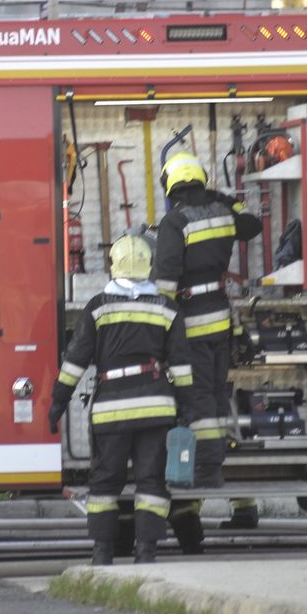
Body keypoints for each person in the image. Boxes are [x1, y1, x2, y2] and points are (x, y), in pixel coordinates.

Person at [48, 234, 192, 566]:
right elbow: (181, 366)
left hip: (110, 412)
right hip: (156, 409)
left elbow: (75, 360)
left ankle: (102, 554)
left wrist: (58, 401)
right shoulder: (167, 309)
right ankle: (146, 554)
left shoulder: (98, 307)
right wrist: (186, 408)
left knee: (104, 484)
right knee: (151, 482)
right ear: (149, 266)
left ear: (113, 266)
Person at [151, 151, 262, 549]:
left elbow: (165, 282)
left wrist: (159, 329)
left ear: (170, 185)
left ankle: (206, 473)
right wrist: (226, 198)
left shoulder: (175, 222)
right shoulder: (222, 212)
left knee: (196, 401)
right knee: (216, 395)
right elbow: (252, 225)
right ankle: (232, 489)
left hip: (191, 324)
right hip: (219, 317)